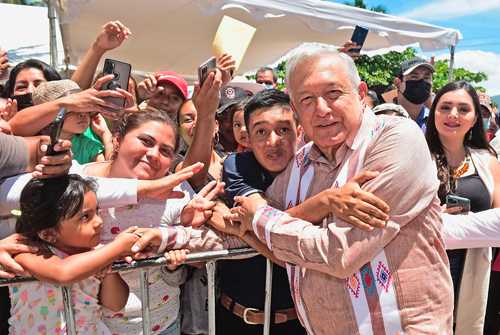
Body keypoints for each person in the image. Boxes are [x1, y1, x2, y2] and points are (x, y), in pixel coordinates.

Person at [228, 46, 453, 334]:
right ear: (295, 110)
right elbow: (254, 224)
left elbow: (340, 252)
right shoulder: (301, 162)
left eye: (333, 93)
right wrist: (175, 234)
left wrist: (259, 217)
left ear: (360, 94)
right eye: (307, 99)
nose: (321, 109)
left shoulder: (396, 139)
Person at [9, 174, 139, 334]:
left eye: (97, 211)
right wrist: (117, 247)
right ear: (48, 234)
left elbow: (116, 304)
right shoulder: (27, 252)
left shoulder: (97, 254)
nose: (99, 221)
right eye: (85, 217)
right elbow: (62, 273)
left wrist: (109, 271)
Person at [425, 81, 500, 335]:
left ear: (475, 118)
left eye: (463, 109)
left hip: (475, 269)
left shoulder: (488, 161)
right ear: (433, 112)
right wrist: (435, 218)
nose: (453, 115)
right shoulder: (415, 156)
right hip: (425, 269)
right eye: (445, 107)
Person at [393, 57, 435, 130]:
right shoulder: (385, 119)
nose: (421, 82)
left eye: (426, 77)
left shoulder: (436, 121)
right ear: (398, 83)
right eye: (414, 77)